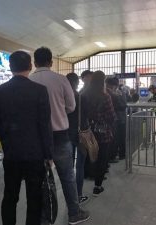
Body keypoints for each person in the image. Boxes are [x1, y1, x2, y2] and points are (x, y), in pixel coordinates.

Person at [30, 47, 90, 225]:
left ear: (34, 62)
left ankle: (44, 217)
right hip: (60, 135)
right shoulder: (60, 79)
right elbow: (71, 106)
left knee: (40, 178)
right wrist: (57, 110)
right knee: (67, 176)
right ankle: (74, 213)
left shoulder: (29, 80)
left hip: (37, 137)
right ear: (51, 62)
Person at [0, 51, 53, 225]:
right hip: (35, 153)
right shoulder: (40, 91)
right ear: (30, 66)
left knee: (10, 195)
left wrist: (6, 140)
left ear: (10, 67)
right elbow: (44, 124)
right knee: (34, 196)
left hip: (11, 153)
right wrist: (48, 154)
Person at [82, 71, 116, 196]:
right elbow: (111, 116)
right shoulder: (105, 96)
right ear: (103, 81)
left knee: (88, 155)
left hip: (86, 131)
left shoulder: (84, 95)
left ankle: (87, 176)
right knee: (102, 158)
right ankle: (97, 186)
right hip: (102, 132)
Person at [66, 72, 89, 204]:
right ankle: (78, 195)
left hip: (65, 135)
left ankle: (70, 196)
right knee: (79, 166)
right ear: (76, 83)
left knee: (68, 167)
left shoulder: (62, 98)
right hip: (80, 135)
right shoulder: (81, 97)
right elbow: (87, 115)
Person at [106, 77, 127, 161]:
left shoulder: (117, 93)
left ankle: (118, 154)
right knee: (117, 137)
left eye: (108, 85)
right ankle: (118, 154)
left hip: (117, 118)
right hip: (119, 118)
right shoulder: (119, 93)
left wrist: (116, 96)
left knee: (118, 137)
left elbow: (123, 105)